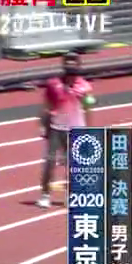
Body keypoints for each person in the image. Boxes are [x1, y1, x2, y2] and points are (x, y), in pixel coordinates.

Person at [37, 52, 96, 209]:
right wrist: (42, 125)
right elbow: (46, 107)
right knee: (50, 162)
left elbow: (88, 109)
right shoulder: (53, 85)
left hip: (75, 130)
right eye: (69, 70)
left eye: (74, 71)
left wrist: (89, 131)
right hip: (56, 129)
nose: (71, 75)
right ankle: (45, 195)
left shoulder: (84, 87)